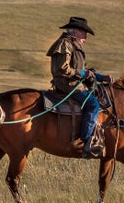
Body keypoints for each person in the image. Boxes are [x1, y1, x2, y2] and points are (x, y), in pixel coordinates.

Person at [46, 16, 111, 158]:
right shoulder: (64, 44)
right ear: (75, 31)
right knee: (93, 104)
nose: (86, 37)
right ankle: (86, 141)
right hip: (67, 85)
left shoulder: (74, 46)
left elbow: (84, 70)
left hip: (74, 83)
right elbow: (62, 69)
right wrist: (82, 73)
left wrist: (101, 77)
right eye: (84, 32)